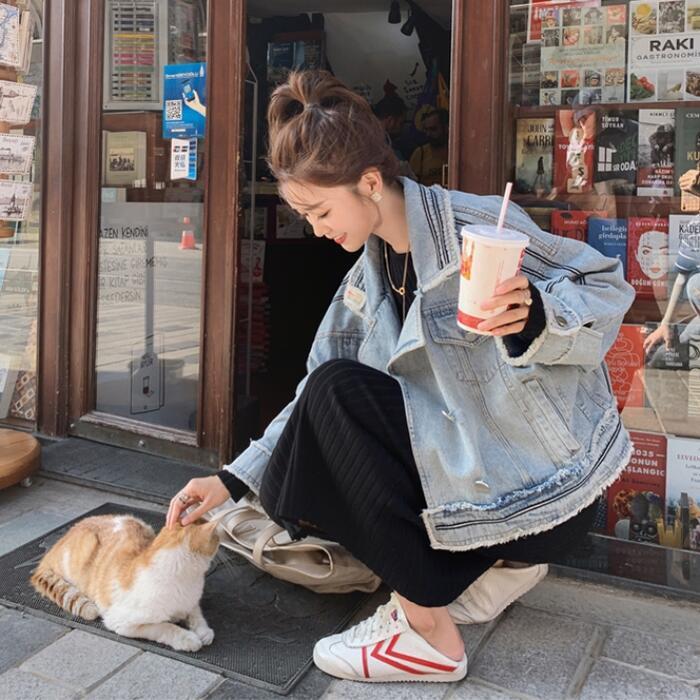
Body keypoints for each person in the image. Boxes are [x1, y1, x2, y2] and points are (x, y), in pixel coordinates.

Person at [167, 70, 635, 684]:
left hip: (544, 491)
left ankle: (428, 635)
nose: (316, 228)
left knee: (338, 395)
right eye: (304, 214)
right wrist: (230, 480)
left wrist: (538, 317)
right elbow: (313, 391)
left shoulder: (476, 228)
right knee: (324, 410)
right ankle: (475, 573)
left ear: (369, 182)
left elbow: (605, 285)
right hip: (473, 492)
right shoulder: (369, 274)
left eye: (320, 210)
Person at [409, 108, 449, 186]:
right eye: (426, 130)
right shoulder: (420, 154)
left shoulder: (457, 151)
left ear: (446, 128)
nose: (428, 134)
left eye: (433, 129)